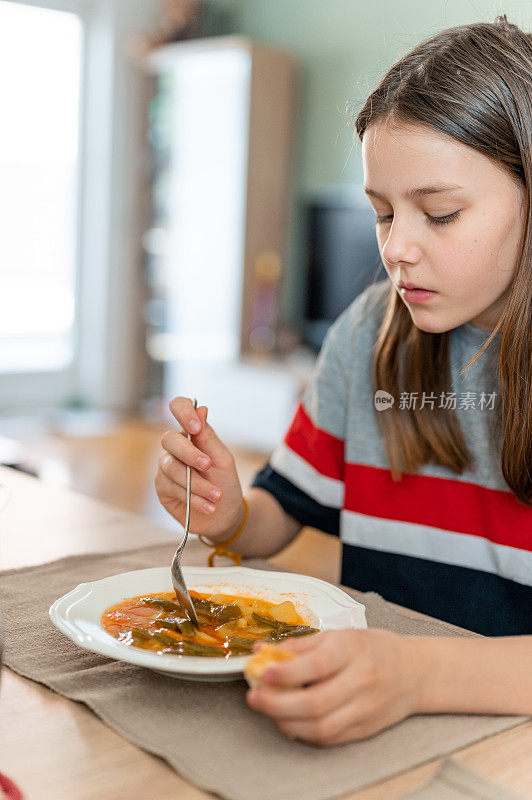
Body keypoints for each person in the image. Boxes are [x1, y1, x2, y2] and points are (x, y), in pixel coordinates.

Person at [155, 15, 532, 745]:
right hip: (370, 721)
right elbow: (278, 517)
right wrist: (228, 511)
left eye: (441, 213)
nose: (397, 250)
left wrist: (418, 675)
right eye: (383, 213)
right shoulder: (370, 331)